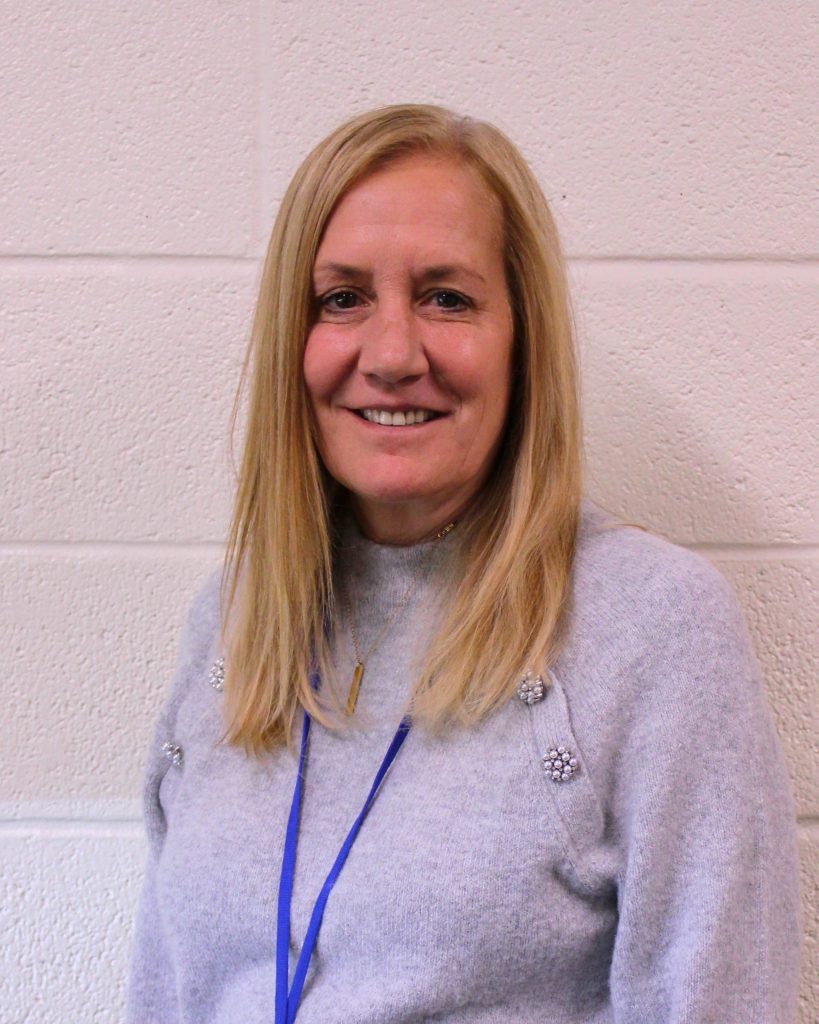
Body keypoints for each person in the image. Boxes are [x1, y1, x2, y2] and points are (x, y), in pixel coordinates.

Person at [126, 104, 801, 1023]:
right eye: (342, 299)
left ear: (523, 341)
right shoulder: (236, 619)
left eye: (447, 297)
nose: (393, 354)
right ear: (295, 338)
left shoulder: (650, 624)